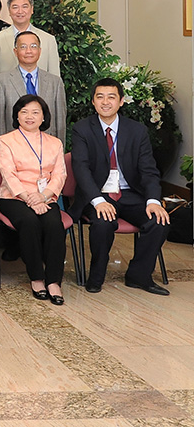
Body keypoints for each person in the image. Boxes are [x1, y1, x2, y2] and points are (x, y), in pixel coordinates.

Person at [71, 78, 171, 295]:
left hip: (130, 193)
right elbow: (81, 168)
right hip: (98, 194)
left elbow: (149, 170)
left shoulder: (137, 130)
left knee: (158, 221)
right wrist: (97, 201)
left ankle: (138, 276)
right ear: (93, 101)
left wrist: (153, 200)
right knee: (103, 222)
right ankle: (96, 276)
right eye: (100, 97)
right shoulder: (82, 129)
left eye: (111, 97)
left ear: (121, 101)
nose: (105, 102)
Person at [0, 94, 68, 305]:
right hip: (14, 197)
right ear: (17, 116)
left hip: (46, 197)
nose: (30, 116)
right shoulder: (6, 140)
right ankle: (36, 278)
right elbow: (8, 174)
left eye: (35, 112)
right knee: (29, 221)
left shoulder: (55, 143)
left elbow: (60, 175)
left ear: (44, 117)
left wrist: (43, 196)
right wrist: (30, 199)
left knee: (54, 224)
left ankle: (53, 281)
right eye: (24, 112)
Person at [0, 30, 67, 148]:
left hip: (47, 147)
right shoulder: (1, 81)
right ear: (15, 51)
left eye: (33, 46)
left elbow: (60, 122)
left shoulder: (55, 82)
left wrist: (59, 149)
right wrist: (1, 149)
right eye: (23, 47)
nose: (29, 51)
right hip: (13, 147)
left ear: (40, 51)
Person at [0, 0, 60, 78]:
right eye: (15, 7)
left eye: (25, 7)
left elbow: (55, 77)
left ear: (32, 9)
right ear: (9, 11)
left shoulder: (48, 39)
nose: (20, 11)